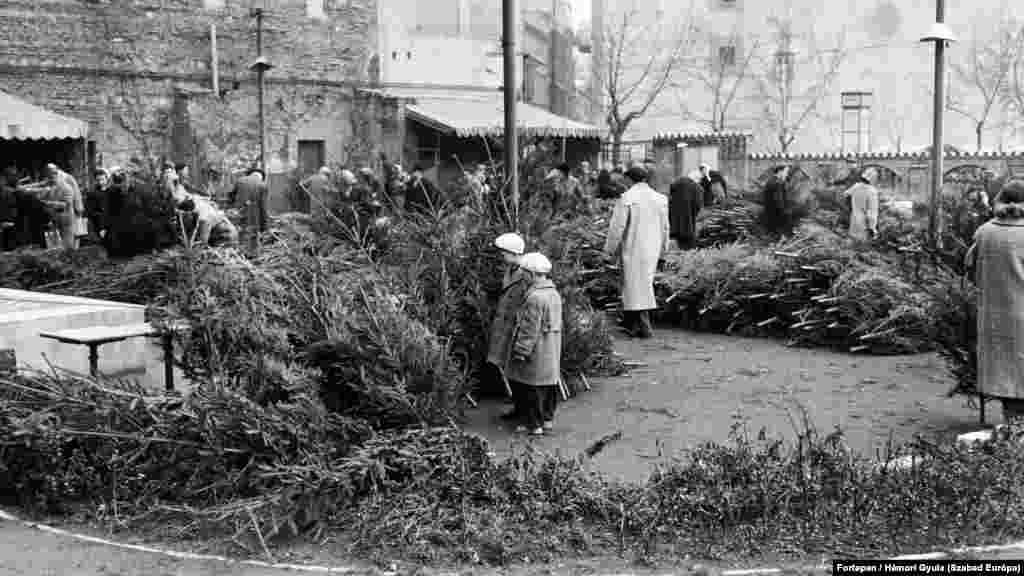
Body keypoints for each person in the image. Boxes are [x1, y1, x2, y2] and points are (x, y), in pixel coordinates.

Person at [965, 180, 1024, 422]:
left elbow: (969, 270)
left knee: (1006, 375)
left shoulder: (984, 232)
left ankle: (1012, 428)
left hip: (993, 317)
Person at [603, 166, 670, 339]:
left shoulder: (627, 198)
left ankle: (642, 327)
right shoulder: (660, 199)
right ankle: (635, 325)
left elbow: (617, 228)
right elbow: (665, 228)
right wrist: (664, 251)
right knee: (643, 285)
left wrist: (608, 251)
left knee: (633, 287)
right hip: (652, 249)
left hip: (632, 248)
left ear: (629, 180)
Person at [506, 251, 562, 436]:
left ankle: (533, 424)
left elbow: (529, 329)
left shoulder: (534, 298)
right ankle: (547, 419)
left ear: (530, 274)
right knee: (548, 385)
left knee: (530, 386)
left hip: (536, 350)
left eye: (524, 273)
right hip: (551, 347)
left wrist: (521, 350)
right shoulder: (553, 293)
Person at [486, 232, 529, 421]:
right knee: (508, 369)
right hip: (504, 325)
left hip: (514, 328)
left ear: (512, 253)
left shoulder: (525, 274)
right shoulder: (511, 271)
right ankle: (518, 406)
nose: (501, 257)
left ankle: (524, 409)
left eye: (503, 253)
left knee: (519, 370)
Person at [228, 167, 269, 252]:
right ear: (261, 176)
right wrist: (264, 226)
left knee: (239, 234)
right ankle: (251, 256)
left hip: (239, 213)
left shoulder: (240, 181)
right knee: (253, 237)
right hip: (254, 217)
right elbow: (263, 207)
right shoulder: (263, 185)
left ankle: (237, 253)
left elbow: (231, 196)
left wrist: (233, 207)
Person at [669, 172, 705, 250]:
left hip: (674, 223)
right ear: (697, 179)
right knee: (689, 246)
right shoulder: (697, 188)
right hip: (689, 224)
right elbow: (698, 205)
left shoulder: (676, 183)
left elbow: (670, 199)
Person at [844, 166, 880, 241]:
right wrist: (872, 228)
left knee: (853, 242)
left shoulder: (856, 186)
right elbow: (872, 212)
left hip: (854, 220)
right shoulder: (872, 191)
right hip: (865, 225)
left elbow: (846, 194)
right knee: (863, 246)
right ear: (873, 179)